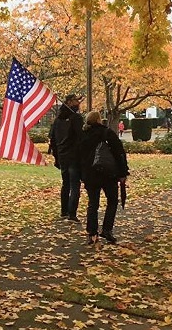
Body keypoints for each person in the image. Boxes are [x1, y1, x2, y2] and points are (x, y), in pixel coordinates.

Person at [78, 111, 129, 245]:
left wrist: (81, 174)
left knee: (93, 203)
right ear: (99, 120)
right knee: (112, 201)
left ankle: (92, 232)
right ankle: (107, 229)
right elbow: (119, 153)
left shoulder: (83, 135)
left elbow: (79, 157)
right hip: (108, 174)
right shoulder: (107, 133)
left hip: (90, 174)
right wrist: (123, 173)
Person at [48, 93, 84, 222]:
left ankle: (64, 211)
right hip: (73, 156)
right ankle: (71, 213)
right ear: (68, 102)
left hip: (63, 156)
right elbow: (81, 137)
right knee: (74, 185)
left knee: (66, 184)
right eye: (75, 100)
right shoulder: (76, 118)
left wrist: (57, 156)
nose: (78, 103)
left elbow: (52, 140)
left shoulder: (58, 120)